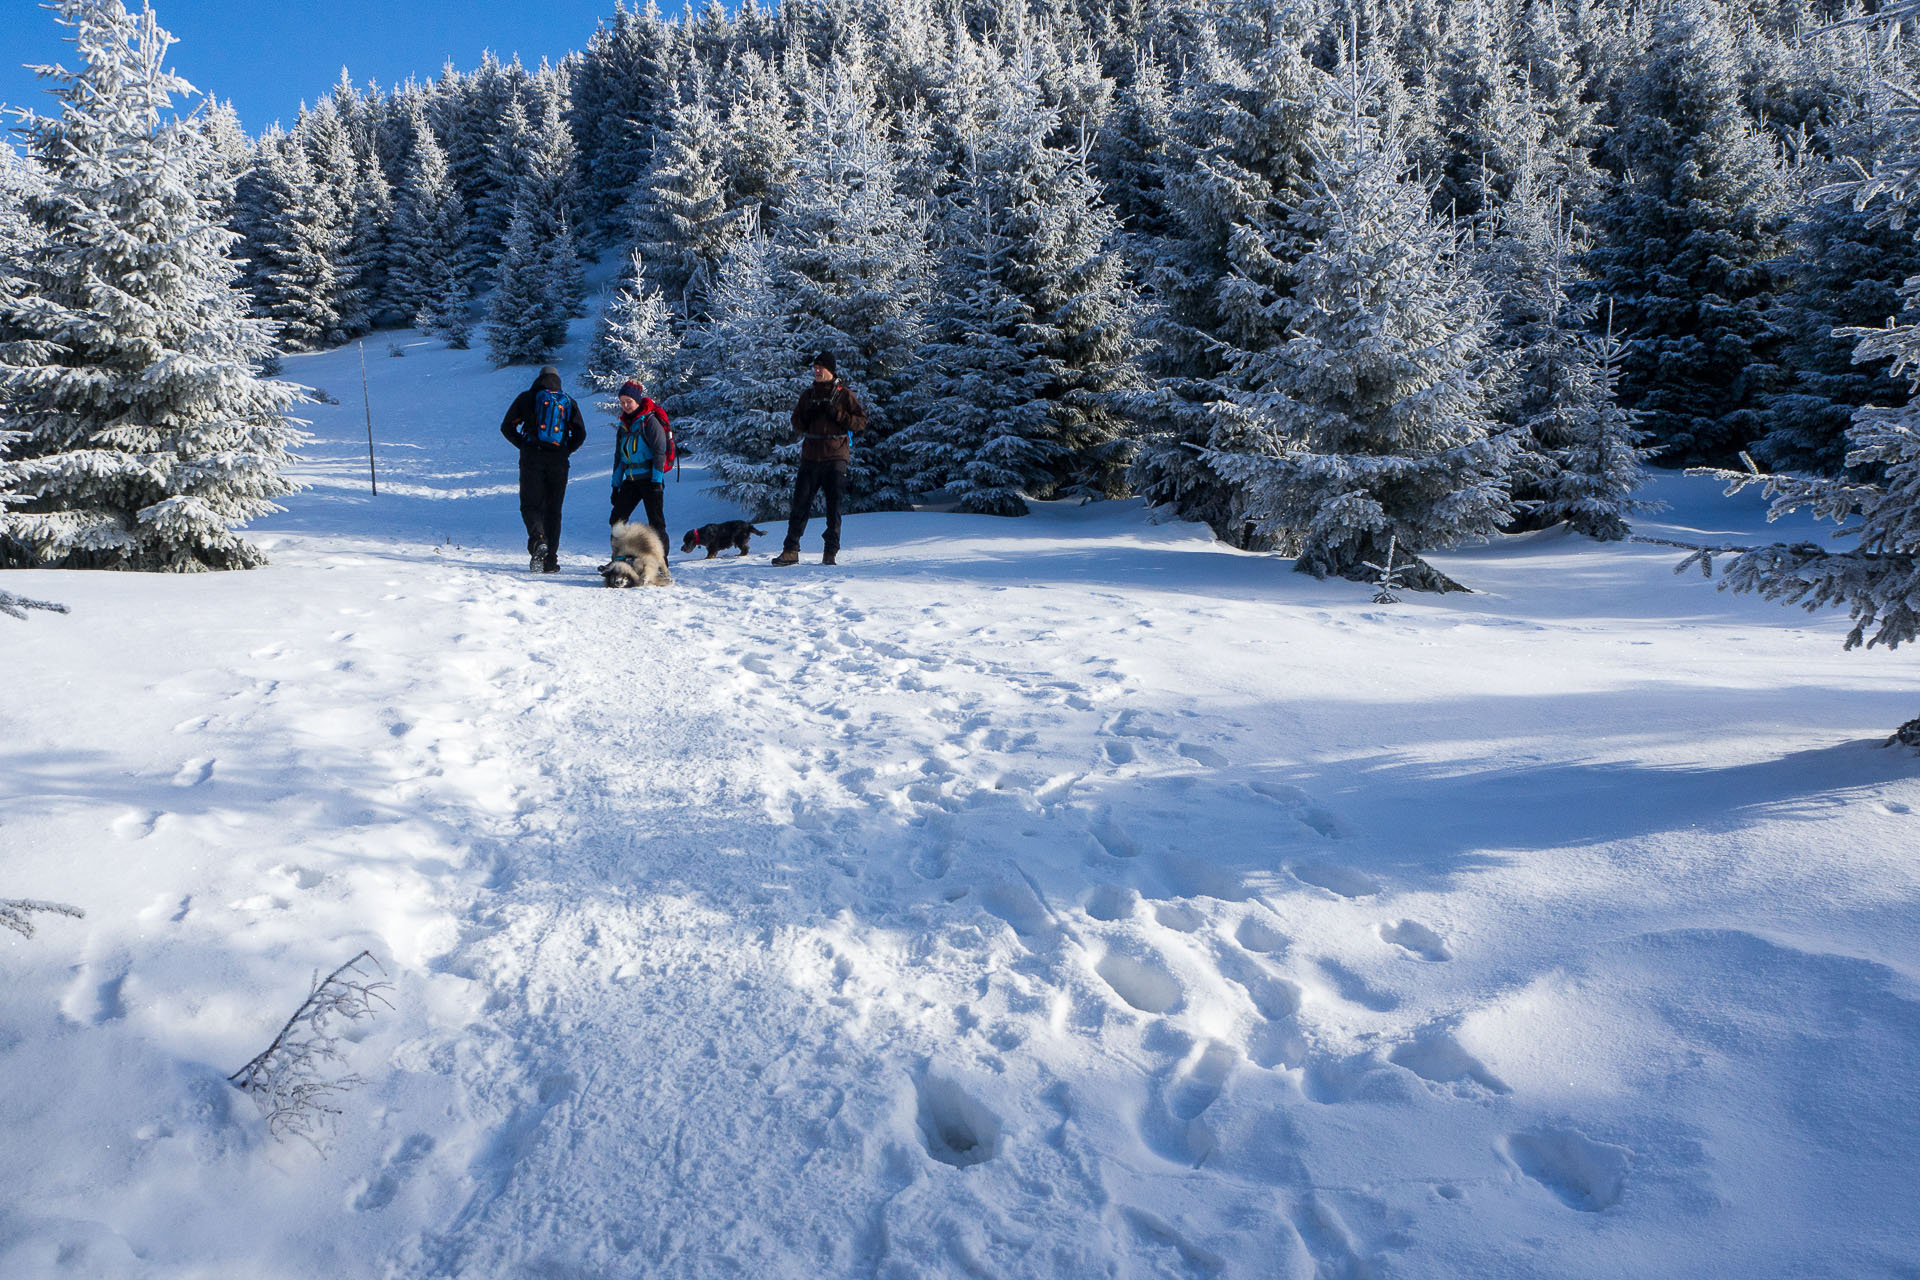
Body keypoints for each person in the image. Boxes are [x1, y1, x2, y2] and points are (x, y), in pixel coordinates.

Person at [772, 351, 866, 567]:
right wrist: (807, 417)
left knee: (834, 508)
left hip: (835, 457)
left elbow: (861, 423)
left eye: (820, 367)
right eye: (815, 367)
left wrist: (838, 415)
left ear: (830, 370)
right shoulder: (808, 395)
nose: (816, 371)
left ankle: (830, 552)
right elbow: (796, 422)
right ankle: (790, 550)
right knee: (800, 504)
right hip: (810, 456)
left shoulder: (844, 395)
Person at [500, 365, 587, 572]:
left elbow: (506, 427)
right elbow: (581, 433)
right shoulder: (567, 401)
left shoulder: (527, 398)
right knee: (554, 511)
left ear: (539, 379)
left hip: (532, 458)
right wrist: (565, 450)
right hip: (559, 461)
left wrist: (525, 445)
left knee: (530, 505)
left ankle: (538, 540)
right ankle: (550, 562)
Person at [609, 379, 672, 554]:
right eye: (622, 402)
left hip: (650, 479)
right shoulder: (623, 426)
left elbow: (660, 451)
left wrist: (657, 482)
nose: (626, 405)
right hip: (630, 480)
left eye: (629, 401)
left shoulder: (650, 422)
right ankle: (618, 557)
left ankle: (661, 564)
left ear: (637, 400)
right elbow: (619, 457)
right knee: (616, 519)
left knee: (656, 523)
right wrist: (615, 485)